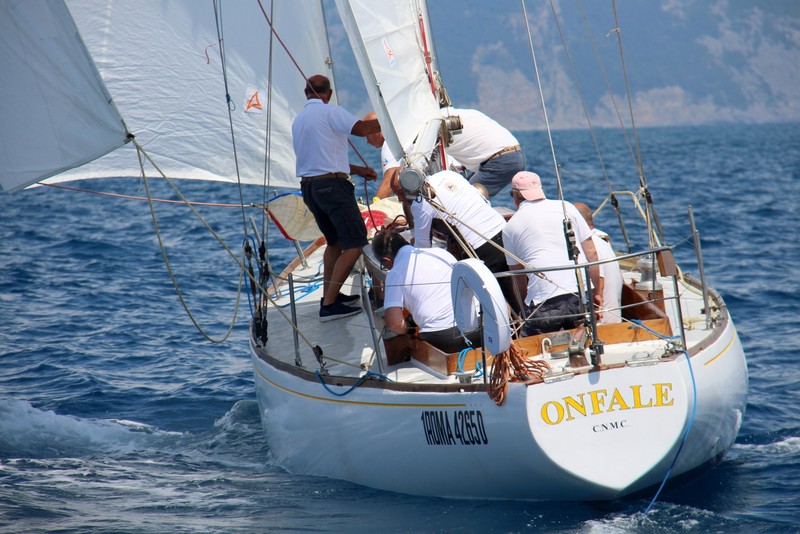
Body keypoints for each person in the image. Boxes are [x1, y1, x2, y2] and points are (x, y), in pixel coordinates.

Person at [292, 74, 381, 322]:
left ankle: (328, 296)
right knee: (355, 243)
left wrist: (360, 170)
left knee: (334, 243)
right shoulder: (331, 111)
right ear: (328, 94)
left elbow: (321, 160)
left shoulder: (298, 121)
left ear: (306, 92)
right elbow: (362, 129)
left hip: (310, 189)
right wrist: (389, 120)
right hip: (333, 189)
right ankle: (330, 305)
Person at [407, 169, 521, 314]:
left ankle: (515, 330)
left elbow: (423, 247)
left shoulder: (420, 204)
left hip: (480, 247)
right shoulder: (447, 174)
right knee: (516, 290)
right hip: (504, 231)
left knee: (493, 302)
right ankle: (528, 325)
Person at [502, 171, 602, 336]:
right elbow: (592, 254)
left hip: (544, 303)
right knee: (584, 341)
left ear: (515, 196)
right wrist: (597, 293)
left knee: (535, 352)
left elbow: (518, 278)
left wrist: (524, 309)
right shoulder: (567, 207)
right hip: (580, 295)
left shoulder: (510, 228)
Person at [372, 229, 481, 353]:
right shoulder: (441, 253)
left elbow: (395, 324)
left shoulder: (394, 273)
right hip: (478, 328)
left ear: (387, 260)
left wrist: (409, 328)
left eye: (383, 266)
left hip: (445, 339)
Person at [440, 106, 525, 198]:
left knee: (465, 198)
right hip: (516, 154)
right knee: (464, 189)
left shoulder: (434, 123)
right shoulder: (466, 113)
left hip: (500, 160)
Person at [574, 202, 623, 324]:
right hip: (615, 319)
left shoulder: (588, 246)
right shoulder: (603, 241)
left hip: (601, 324)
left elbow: (599, 281)